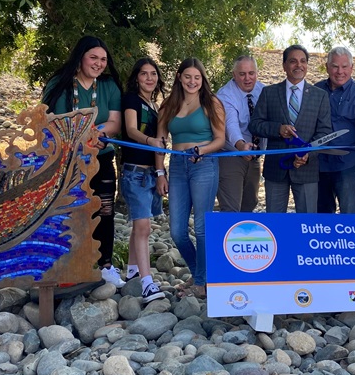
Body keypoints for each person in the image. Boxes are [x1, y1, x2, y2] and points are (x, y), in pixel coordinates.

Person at [42, 35, 125, 287]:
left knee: (105, 209)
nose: (99, 63)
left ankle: (105, 265)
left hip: (101, 157)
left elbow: (115, 123)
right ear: (80, 58)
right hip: (68, 162)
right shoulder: (60, 84)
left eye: (103, 59)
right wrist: (83, 138)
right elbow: (51, 123)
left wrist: (99, 134)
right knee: (70, 210)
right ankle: (67, 265)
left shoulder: (108, 86)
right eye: (93, 57)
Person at [157, 58, 225, 299]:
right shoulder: (169, 105)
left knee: (202, 228)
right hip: (176, 166)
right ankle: (201, 276)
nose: (192, 81)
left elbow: (220, 139)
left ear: (202, 79)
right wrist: (159, 172)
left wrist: (202, 151)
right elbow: (160, 142)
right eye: (188, 76)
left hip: (203, 164)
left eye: (197, 77)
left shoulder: (211, 103)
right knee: (177, 231)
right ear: (179, 77)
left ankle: (201, 282)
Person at [249, 44, 331, 213]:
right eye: (293, 61)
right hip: (276, 169)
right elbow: (255, 124)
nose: (298, 65)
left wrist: (308, 154)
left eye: (303, 61)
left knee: (307, 224)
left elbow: (325, 132)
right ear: (284, 66)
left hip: (306, 169)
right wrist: (277, 129)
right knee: (275, 224)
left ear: (307, 65)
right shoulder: (269, 92)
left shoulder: (320, 96)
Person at [120, 57, 167, 303]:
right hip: (135, 171)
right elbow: (130, 129)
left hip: (150, 172)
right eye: (144, 74)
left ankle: (132, 272)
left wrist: (161, 172)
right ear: (136, 78)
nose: (149, 78)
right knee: (144, 228)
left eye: (153, 74)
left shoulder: (154, 105)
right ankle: (147, 284)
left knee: (140, 226)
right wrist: (150, 141)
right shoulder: (131, 100)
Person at [314, 47, 355, 214]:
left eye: (344, 67)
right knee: (321, 213)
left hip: (348, 163)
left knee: (350, 211)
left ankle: (354, 241)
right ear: (327, 67)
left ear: (351, 68)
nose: (339, 71)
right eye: (335, 66)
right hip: (319, 162)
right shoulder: (315, 90)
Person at [216, 55, 265, 212]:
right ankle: (225, 236)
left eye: (251, 73)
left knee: (249, 204)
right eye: (242, 74)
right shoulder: (225, 95)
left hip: (255, 156)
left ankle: (243, 236)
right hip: (231, 155)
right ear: (234, 74)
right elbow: (231, 124)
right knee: (231, 207)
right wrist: (241, 145)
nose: (247, 78)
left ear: (257, 73)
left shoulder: (264, 90)